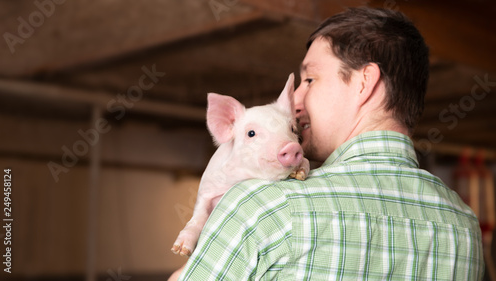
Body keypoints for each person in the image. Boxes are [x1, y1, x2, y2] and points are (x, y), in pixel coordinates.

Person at [174, 7, 484, 280]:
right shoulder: (465, 226)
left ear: (365, 83)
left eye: (310, 80)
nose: (295, 101)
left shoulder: (262, 206)